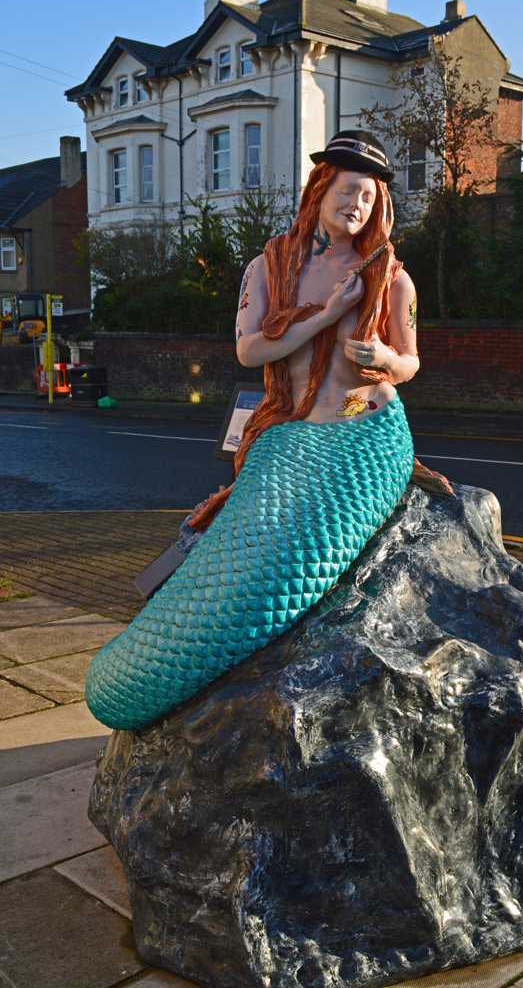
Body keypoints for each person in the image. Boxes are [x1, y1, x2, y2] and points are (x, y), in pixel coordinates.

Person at [85, 131, 453, 731]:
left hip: (367, 434)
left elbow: (411, 362)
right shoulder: (268, 268)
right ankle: (138, 669)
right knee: (239, 549)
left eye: (368, 196)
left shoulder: (393, 279)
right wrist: (328, 314)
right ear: (320, 190)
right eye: (347, 191)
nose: (356, 205)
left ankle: (151, 675)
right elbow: (250, 349)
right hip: (288, 432)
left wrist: (385, 359)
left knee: (291, 561)